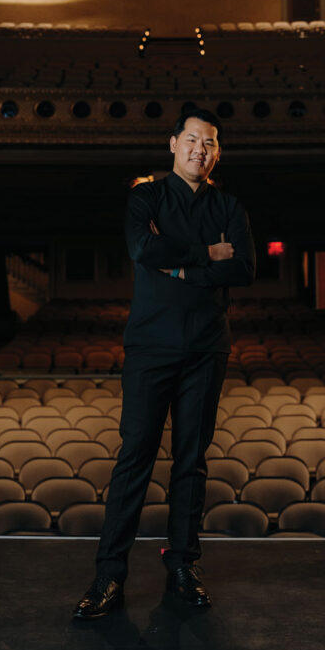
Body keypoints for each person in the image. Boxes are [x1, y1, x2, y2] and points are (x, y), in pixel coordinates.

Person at [72, 107, 256, 620]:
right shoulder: (145, 195)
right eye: (193, 139)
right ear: (173, 143)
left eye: (211, 142)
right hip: (151, 346)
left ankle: (183, 566)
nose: (202, 148)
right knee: (134, 458)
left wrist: (176, 264)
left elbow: (243, 268)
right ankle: (109, 574)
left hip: (205, 347)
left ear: (218, 153)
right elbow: (139, 246)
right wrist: (206, 255)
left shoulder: (229, 204)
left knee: (191, 463)